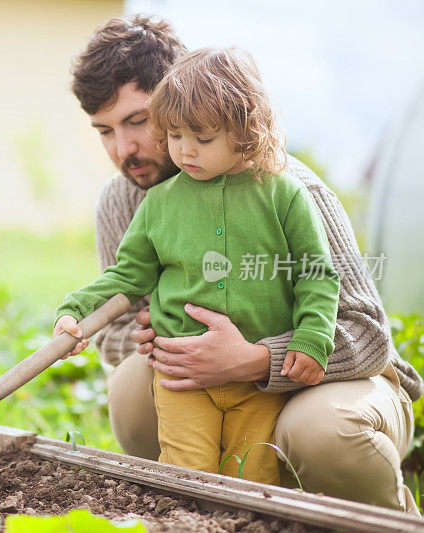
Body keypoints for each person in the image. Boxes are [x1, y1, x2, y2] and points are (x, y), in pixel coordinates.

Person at [64, 14, 423, 512]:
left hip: (342, 383)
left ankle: (382, 513)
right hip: (203, 389)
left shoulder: (288, 190)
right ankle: (207, 512)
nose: (122, 149)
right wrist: (147, 337)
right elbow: (116, 328)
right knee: (131, 386)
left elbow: (367, 334)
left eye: (138, 121)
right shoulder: (126, 200)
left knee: (318, 434)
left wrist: (257, 358)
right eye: (104, 130)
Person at [54, 46, 340, 484]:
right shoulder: (158, 203)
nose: (185, 152)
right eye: (174, 136)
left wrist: (311, 337)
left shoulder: (286, 193)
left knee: (253, 479)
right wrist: (77, 311)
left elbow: (316, 274)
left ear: (245, 129)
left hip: (259, 388)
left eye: (202, 139)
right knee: (186, 475)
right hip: (183, 384)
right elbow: (125, 276)